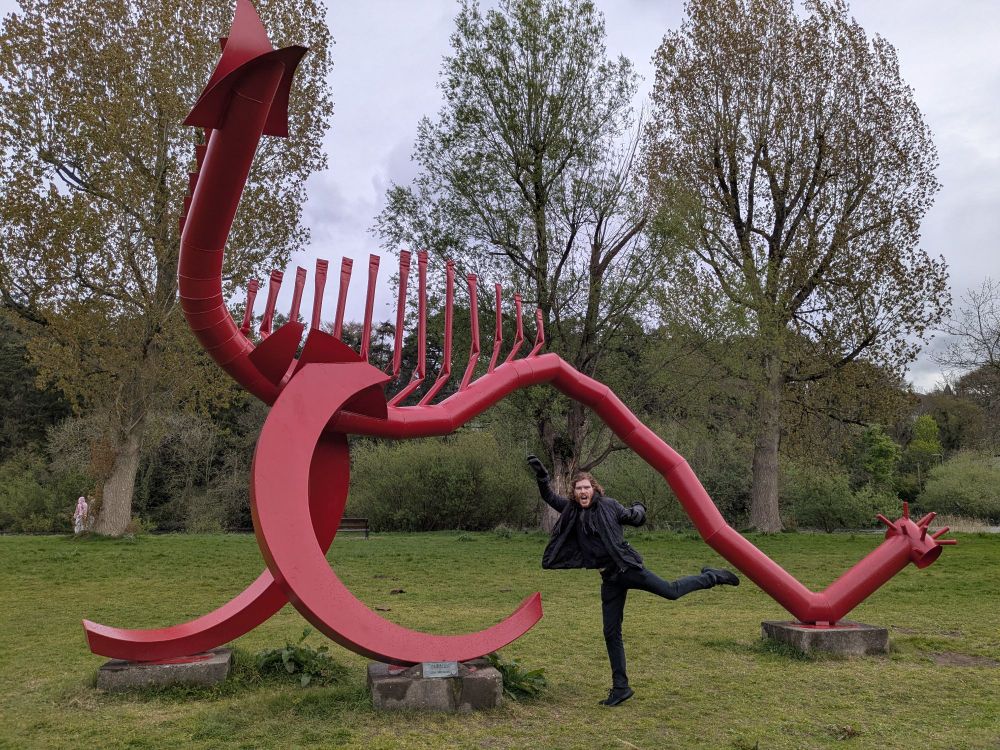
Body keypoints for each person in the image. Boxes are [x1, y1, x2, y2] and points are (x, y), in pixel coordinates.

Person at [527, 454, 740, 707]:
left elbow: (634, 516)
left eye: (586, 488)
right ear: (574, 493)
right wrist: (543, 477)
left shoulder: (609, 505)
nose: (583, 492)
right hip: (609, 578)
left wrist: (640, 507)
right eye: (578, 489)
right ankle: (621, 688)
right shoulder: (572, 511)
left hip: (628, 569)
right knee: (611, 632)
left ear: (594, 489)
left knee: (670, 591)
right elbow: (550, 498)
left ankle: (711, 576)